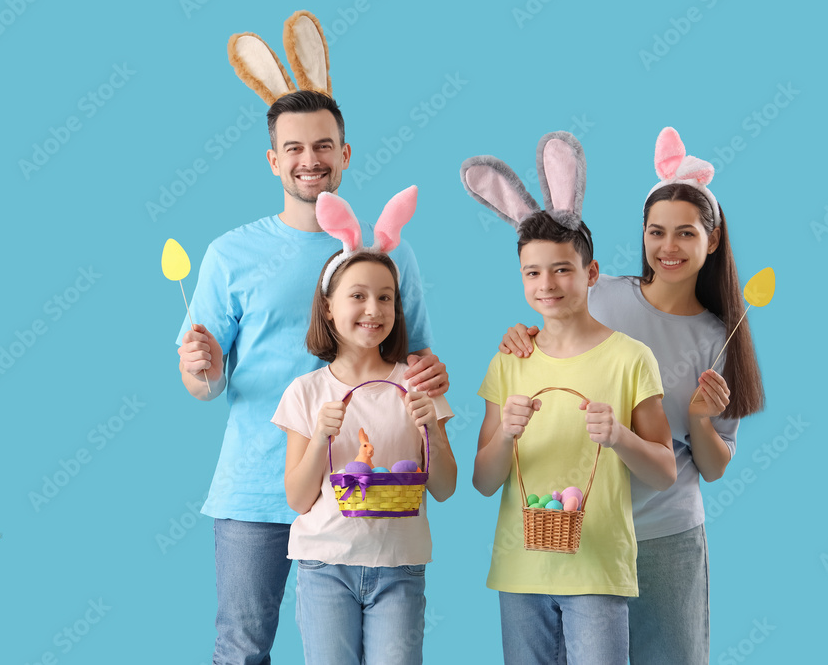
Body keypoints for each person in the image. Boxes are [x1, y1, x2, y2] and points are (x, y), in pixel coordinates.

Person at [176, 91, 448, 665]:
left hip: (361, 492)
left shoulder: (386, 252)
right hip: (256, 490)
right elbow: (204, 383)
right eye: (293, 148)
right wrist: (203, 371)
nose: (310, 159)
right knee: (242, 649)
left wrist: (433, 374)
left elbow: (415, 358)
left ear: (345, 154)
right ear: (273, 160)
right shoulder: (229, 254)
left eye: (324, 145)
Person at [499, 127, 765, 664]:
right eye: (656, 232)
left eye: (686, 233)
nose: (669, 247)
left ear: (712, 240)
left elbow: (714, 467)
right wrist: (519, 338)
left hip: (662, 537)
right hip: (584, 532)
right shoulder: (603, 295)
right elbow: (554, 331)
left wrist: (702, 420)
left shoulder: (719, 338)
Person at [461, 132, 674, 665]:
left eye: (562, 269)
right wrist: (506, 435)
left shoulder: (631, 359)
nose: (547, 284)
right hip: (522, 571)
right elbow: (482, 482)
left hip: (597, 569)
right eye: (532, 272)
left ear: (591, 273)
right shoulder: (510, 359)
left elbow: (665, 471)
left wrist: (620, 437)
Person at [271, 187, 456, 665]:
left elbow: (444, 488)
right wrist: (320, 439)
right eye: (358, 296)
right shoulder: (305, 392)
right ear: (328, 307)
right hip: (324, 565)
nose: (374, 310)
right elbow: (297, 498)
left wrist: (432, 430)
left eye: (385, 298)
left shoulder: (417, 384)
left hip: (399, 567)